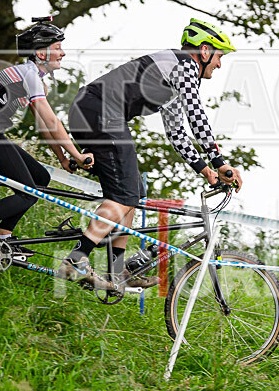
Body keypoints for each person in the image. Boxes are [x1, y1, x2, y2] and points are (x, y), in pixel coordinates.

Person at [60, 18, 243, 290]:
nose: (219, 64)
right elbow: (197, 116)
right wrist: (220, 163)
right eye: (218, 56)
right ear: (204, 51)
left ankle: (116, 272)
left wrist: (204, 169)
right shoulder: (185, 66)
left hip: (92, 111)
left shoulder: (173, 73)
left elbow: (177, 132)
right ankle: (77, 257)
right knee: (125, 195)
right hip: (100, 113)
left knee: (132, 190)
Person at [0, 18, 106, 286]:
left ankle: (2, 237)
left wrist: (63, 158)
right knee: (28, 191)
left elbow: (44, 126)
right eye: (58, 47)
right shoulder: (29, 73)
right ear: (41, 52)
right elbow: (52, 119)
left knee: (40, 179)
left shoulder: (36, 79)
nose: (63, 53)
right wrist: (78, 155)